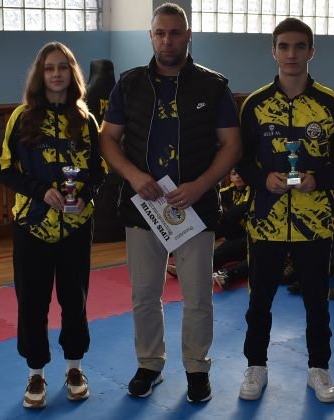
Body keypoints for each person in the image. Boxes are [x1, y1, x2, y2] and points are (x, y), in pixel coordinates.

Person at [98, 3, 241, 403]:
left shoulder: (213, 86)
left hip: (194, 207)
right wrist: (133, 176)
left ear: (188, 36)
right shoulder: (129, 84)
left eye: (175, 33)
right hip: (143, 207)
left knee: (198, 296)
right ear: (151, 36)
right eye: (160, 33)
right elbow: (107, 139)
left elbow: (232, 146)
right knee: (145, 294)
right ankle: (149, 364)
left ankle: (197, 369)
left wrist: (201, 185)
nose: (167, 40)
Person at [237, 17, 334, 404]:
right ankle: (256, 366)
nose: (291, 54)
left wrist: (318, 180)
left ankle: (319, 368)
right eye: (284, 46)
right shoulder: (255, 104)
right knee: (259, 301)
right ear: (273, 51)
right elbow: (239, 158)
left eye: (299, 46)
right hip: (265, 221)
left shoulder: (329, 103)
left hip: (315, 221)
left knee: (316, 302)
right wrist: (262, 179)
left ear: (311, 51)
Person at [0, 42, 105, 409]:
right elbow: (2, 168)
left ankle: (75, 369)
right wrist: (40, 191)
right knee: (32, 303)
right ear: (40, 75)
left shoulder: (86, 120)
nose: (56, 74)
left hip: (75, 228)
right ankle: (35, 373)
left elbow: (99, 170)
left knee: (75, 301)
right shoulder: (22, 117)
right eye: (49, 68)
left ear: (73, 74)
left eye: (63, 67)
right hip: (32, 227)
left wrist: (83, 195)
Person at [211, 169, 252, 289]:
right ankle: (194, 265)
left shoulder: (253, 190)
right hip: (242, 234)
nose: (238, 176)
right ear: (230, 177)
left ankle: (227, 274)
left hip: (254, 236)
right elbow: (213, 196)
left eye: (241, 173)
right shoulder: (228, 190)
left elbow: (239, 211)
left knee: (258, 257)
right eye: (234, 174)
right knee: (227, 247)